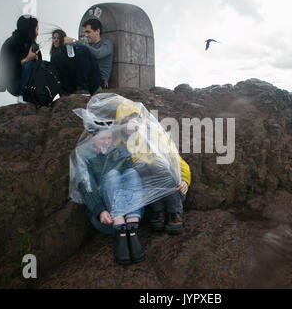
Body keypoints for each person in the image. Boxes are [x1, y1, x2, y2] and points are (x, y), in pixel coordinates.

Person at [114, 102, 191, 235]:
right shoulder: (121, 144)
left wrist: (184, 179)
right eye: (125, 122)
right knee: (137, 169)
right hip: (151, 194)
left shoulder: (155, 135)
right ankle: (158, 211)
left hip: (175, 190)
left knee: (155, 164)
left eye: (133, 120)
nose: (130, 125)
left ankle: (175, 212)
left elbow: (176, 159)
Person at [76, 129, 145, 265]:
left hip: (131, 212)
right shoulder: (84, 156)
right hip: (109, 218)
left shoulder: (118, 150)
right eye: (103, 138)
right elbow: (86, 186)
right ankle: (121, 229)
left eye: (109, 138)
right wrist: (100, 210)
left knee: (131, 172)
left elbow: (132, 178)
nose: (107, 142)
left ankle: (131, 230)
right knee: (112, 175)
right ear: (91, 136)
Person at [0, 15, 41, 101]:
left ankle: (38, 94)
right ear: (30, 29)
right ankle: (23, 96)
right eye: (36, 29)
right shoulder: (11, 43)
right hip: (14, 84)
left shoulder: (32, 44)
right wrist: (27, 59)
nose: (37, 33)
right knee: (29, 64)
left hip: (30, 85)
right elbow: (6, 68)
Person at [63, 18, 114, 89]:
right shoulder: (87, 46)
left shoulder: (107, 44)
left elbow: (98, 54)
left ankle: (82, 88)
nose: (85, 35)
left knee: (82, 50)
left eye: (88, 32)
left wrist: (75, 42)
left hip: (99, 81)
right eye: (85, 32)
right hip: (87, 78)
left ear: (97, 31)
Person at [50, 29, 103, 96]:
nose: (56, 40)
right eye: (54, 38)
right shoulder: (55, 56)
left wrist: (74, 42)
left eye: (58, 38)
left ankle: (82, 88)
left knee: (83, 51)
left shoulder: (76, 51)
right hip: (67, 89)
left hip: (85, 85)